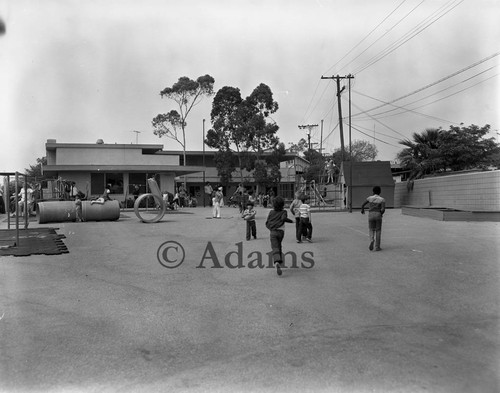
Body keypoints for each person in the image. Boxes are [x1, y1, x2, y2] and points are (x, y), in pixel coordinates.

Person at [265, 196, 293, 276]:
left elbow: (267, 222)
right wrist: (291, 221)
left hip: (273, 232)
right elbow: (284, 219)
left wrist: (271, 228)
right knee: (279, 245)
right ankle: (280, 260)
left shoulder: (271, 212)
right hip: (281, 232)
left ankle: (277, 261)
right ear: (282, 204)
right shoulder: (284, 212)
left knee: (275, 247)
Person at [361, 186, 386, 251]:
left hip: (371, 214)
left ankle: (372, 240)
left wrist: (362, 210)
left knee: (371, 229)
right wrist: (381, 213)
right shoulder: (382, 199)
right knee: (378, 230)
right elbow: (383, 209)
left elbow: (363, 204)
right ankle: (377, 247)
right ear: (380, 192)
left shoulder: (370, 198)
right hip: (378, 214)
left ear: (373, 192)